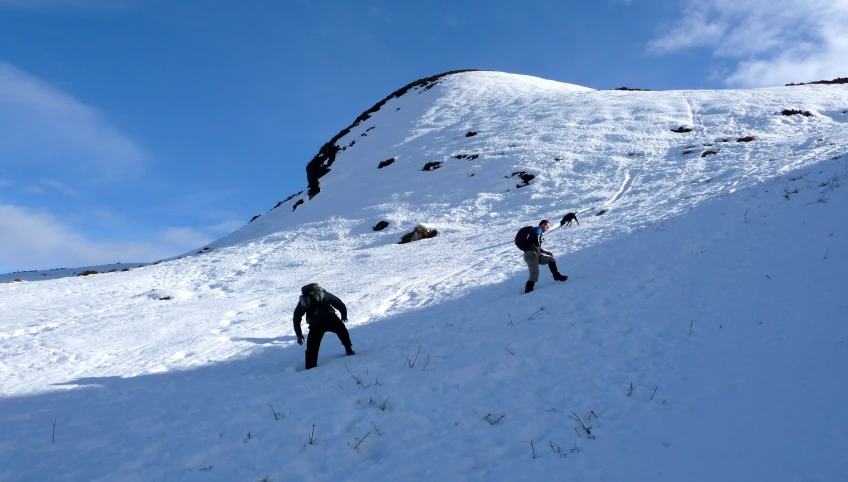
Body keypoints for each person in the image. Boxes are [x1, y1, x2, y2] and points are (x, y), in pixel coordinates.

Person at [293, 283, 355, 370]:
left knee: (312, 347)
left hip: (315, 325)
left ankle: (310, 367)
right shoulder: (324, 294)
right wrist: (344, 316)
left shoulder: (303, 301)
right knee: (342, 331)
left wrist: (299, 334)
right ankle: (349, 349)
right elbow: (339, 303)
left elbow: (296, 317)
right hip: (331, 319)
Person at [522, 220, 567, 293]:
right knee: (534, 275)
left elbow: (535, 245)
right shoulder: (538, 229)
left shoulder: (536, 232)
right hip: (531, 255)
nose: (547, 229)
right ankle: (528, 292)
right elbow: (537, 240)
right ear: (543, 225)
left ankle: (556, 276)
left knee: (551, 260)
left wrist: (545, 252)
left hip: (535, 254)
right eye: (547, 227)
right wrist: (539, 250)